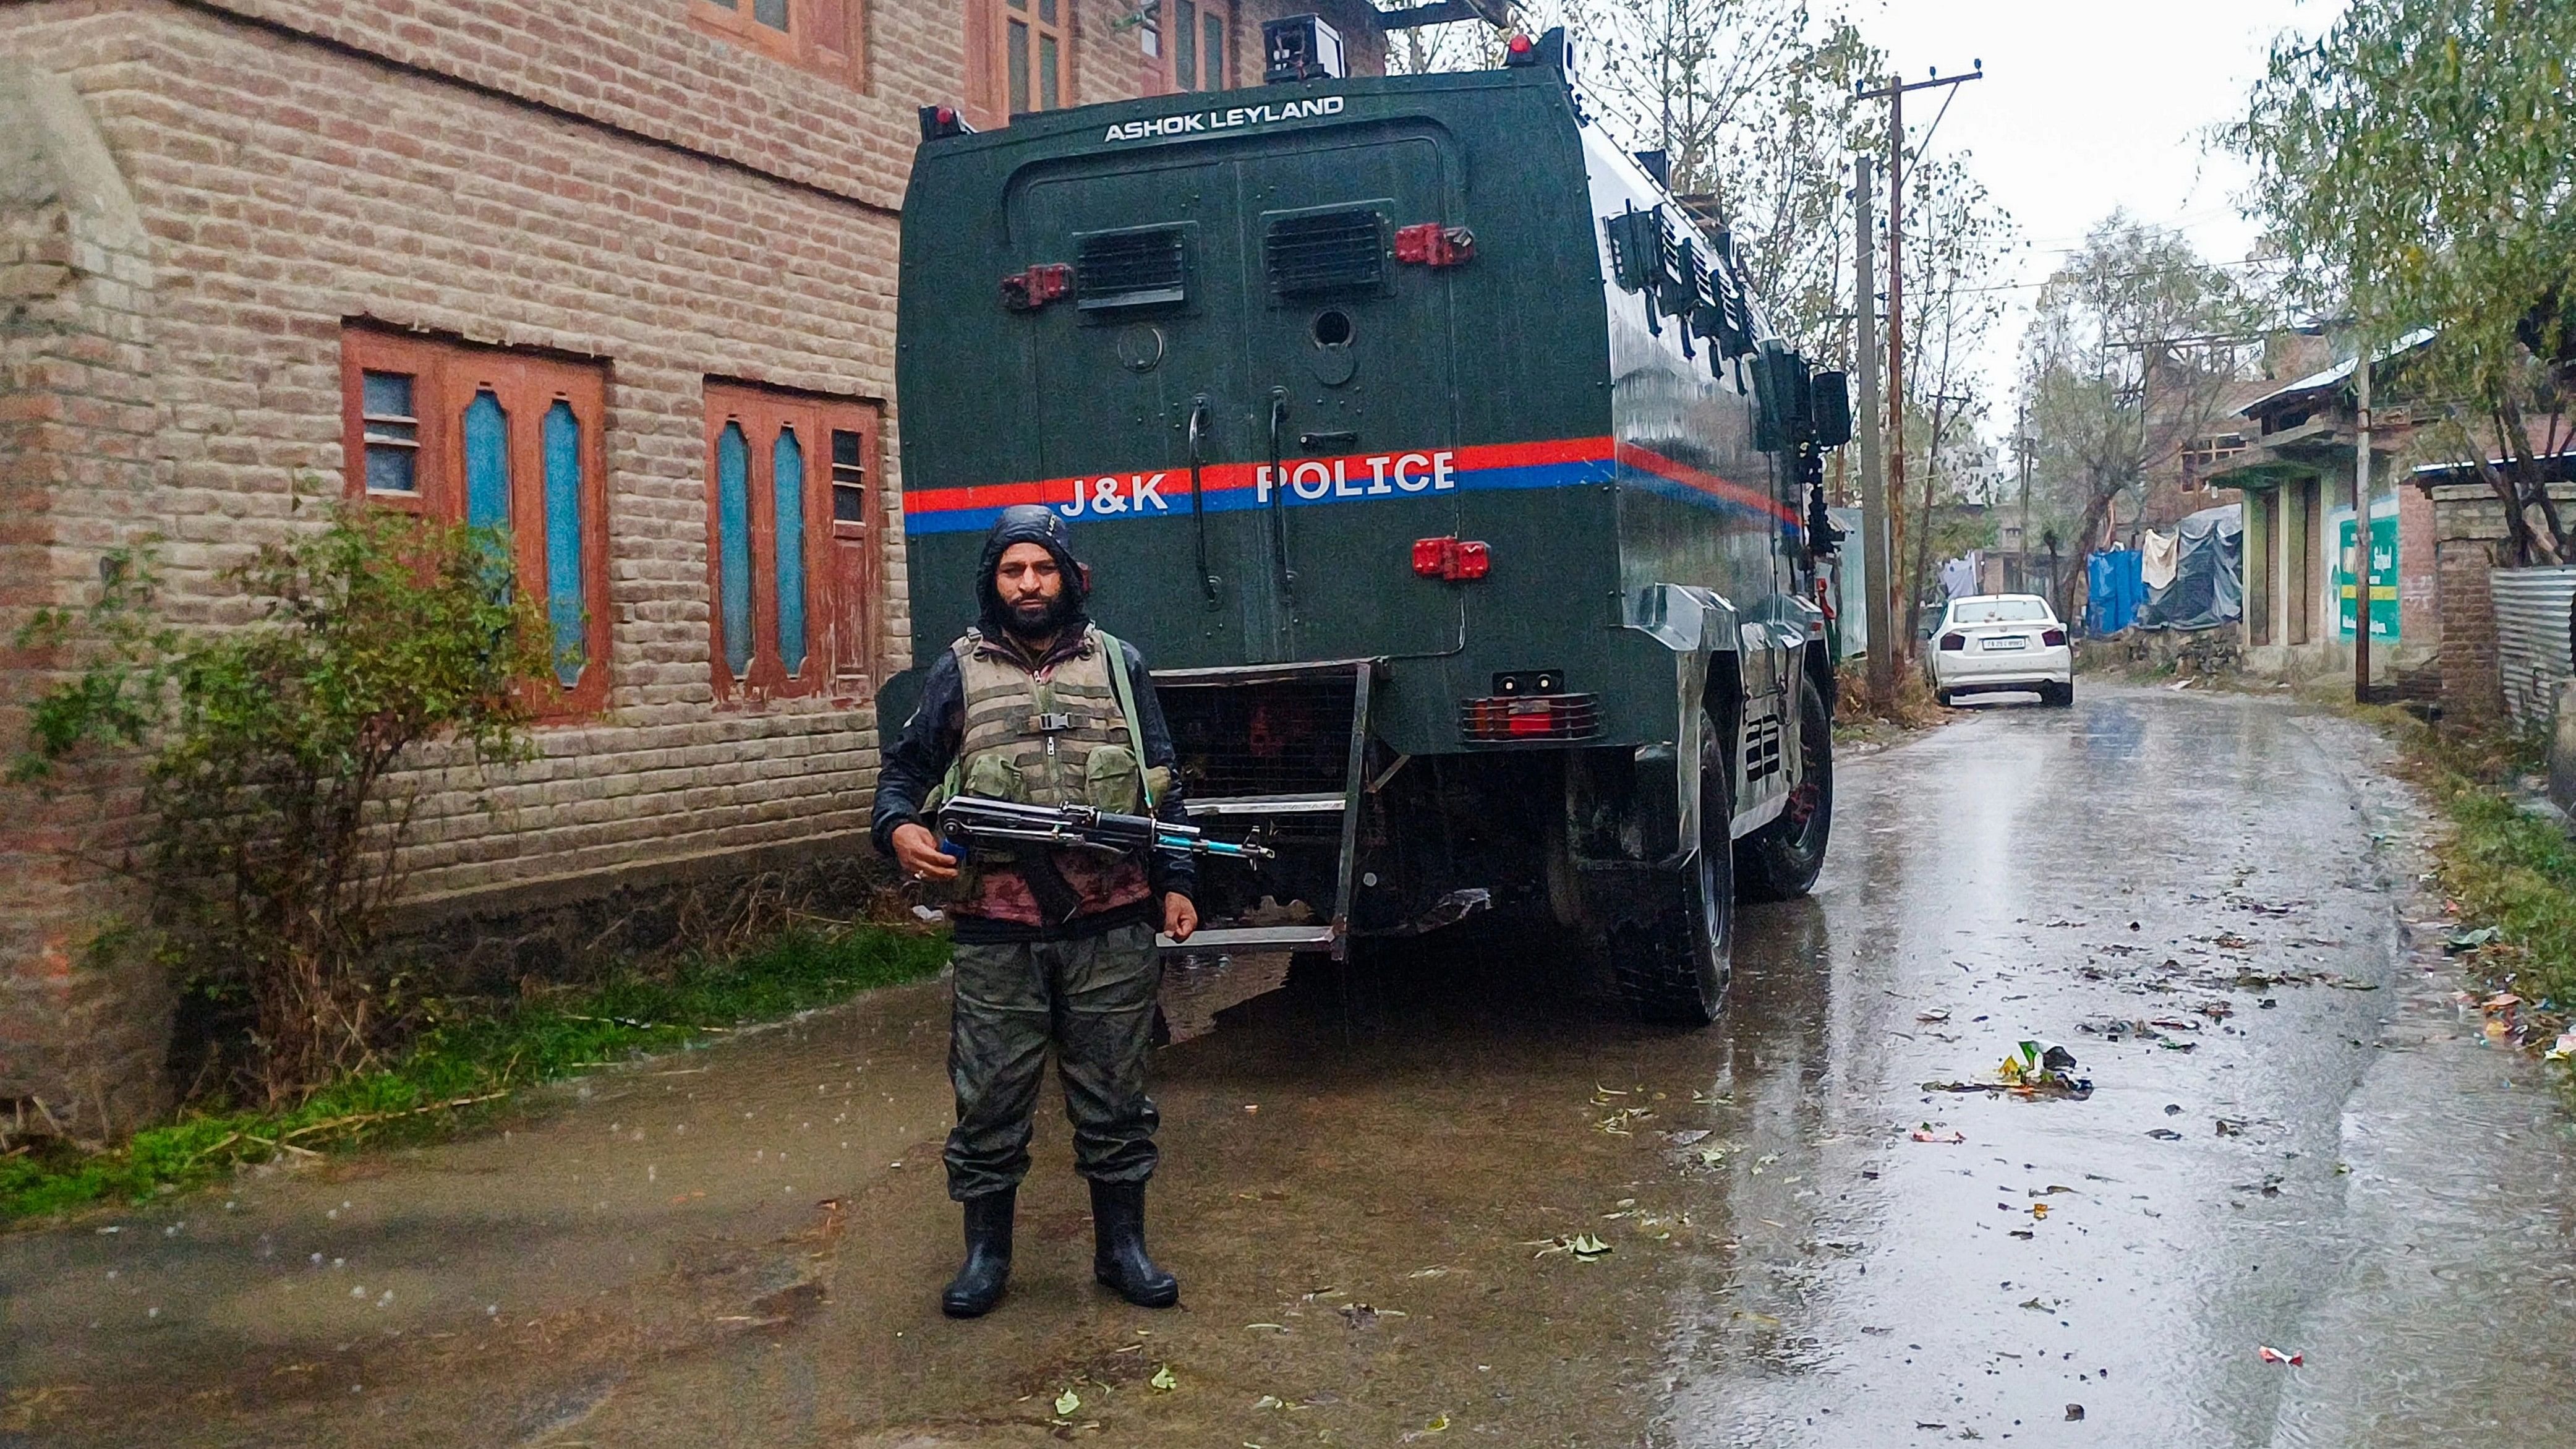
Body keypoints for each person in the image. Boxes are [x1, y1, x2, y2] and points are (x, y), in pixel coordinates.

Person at [872, 505, 1199, 1319]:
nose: (1028, 584)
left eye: (1042, 569)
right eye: (1013, 571)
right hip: (996, 930)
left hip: (1111, 924)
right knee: (989, 1097)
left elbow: (1163, 788)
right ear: (993, 582)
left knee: (1117, 1093)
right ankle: (986, 1256)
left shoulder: (1119, 666)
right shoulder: (955, 671)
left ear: (1067, 577)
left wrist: (1180, 880)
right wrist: (901, 830)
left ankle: (1122, 1249)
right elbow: (900, 777)